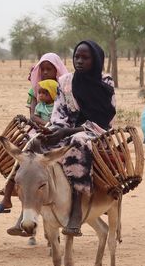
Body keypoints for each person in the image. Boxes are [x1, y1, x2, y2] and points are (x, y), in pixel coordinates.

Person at [41, 40, 116, 236]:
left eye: (85, 58)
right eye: (77, 57)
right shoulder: (65, 81)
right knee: (36, 141)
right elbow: (59, 113)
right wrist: (55, 130)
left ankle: (76, 207)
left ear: (96, 60)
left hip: (95, 129)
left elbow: (105, 117)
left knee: (78, 143)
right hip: (68, 127)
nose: (79, 61)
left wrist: (68, 132)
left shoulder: (105, 81)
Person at [0, 53, 68, 215]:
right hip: (38, 130)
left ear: (57, 70)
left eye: (50, 69)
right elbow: (32, 115)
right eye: (43, 69)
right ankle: (7, 196)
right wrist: (45, 126)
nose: (46, 72)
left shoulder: (65, 88)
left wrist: (57, 127)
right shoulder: (36, 89)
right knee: (22, 156)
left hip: (61, 129)